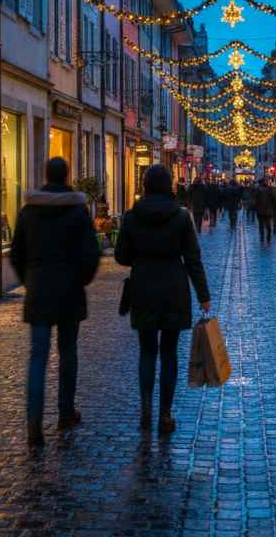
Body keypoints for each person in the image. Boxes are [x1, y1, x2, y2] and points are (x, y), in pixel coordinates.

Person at [10, 156, 102, 447]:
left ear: (45, 175)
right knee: (68, 352)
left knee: (38, 356)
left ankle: (34, 421)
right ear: (66, 177)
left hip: (39, 291)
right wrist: (80, 280)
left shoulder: (28, 212)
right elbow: (91, 254)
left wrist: (30, 280)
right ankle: (65, 411)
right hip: (69, 291)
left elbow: (16, 254)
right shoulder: (77, 212)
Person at [115, 165, 211, 433]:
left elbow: (121, 256)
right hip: (173, 288)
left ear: (144, 185)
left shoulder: (132, 216)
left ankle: (145, 412)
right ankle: (165, 415)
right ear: (170, 185)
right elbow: (193, 258)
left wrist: (142, 255)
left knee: (147, 351)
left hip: (143, 287)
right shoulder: (181, 217)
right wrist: (204, 295)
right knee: (169, 354)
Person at [253, 178, 276, 244]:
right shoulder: (269, 191)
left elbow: (255, 201)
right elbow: (273, 200)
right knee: (268, 225)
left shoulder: (258, 191)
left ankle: (262, 237)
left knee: (261, 225)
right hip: (267, 210)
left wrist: (256, 209)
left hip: (260, 211)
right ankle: (268, 239)